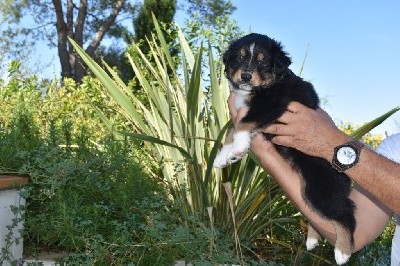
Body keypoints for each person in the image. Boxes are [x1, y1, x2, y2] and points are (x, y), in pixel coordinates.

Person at [227, 91, 400, 265]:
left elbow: (329, 142)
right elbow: (355, 232)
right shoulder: (395, 148)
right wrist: (267, 153)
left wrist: (330, 142)